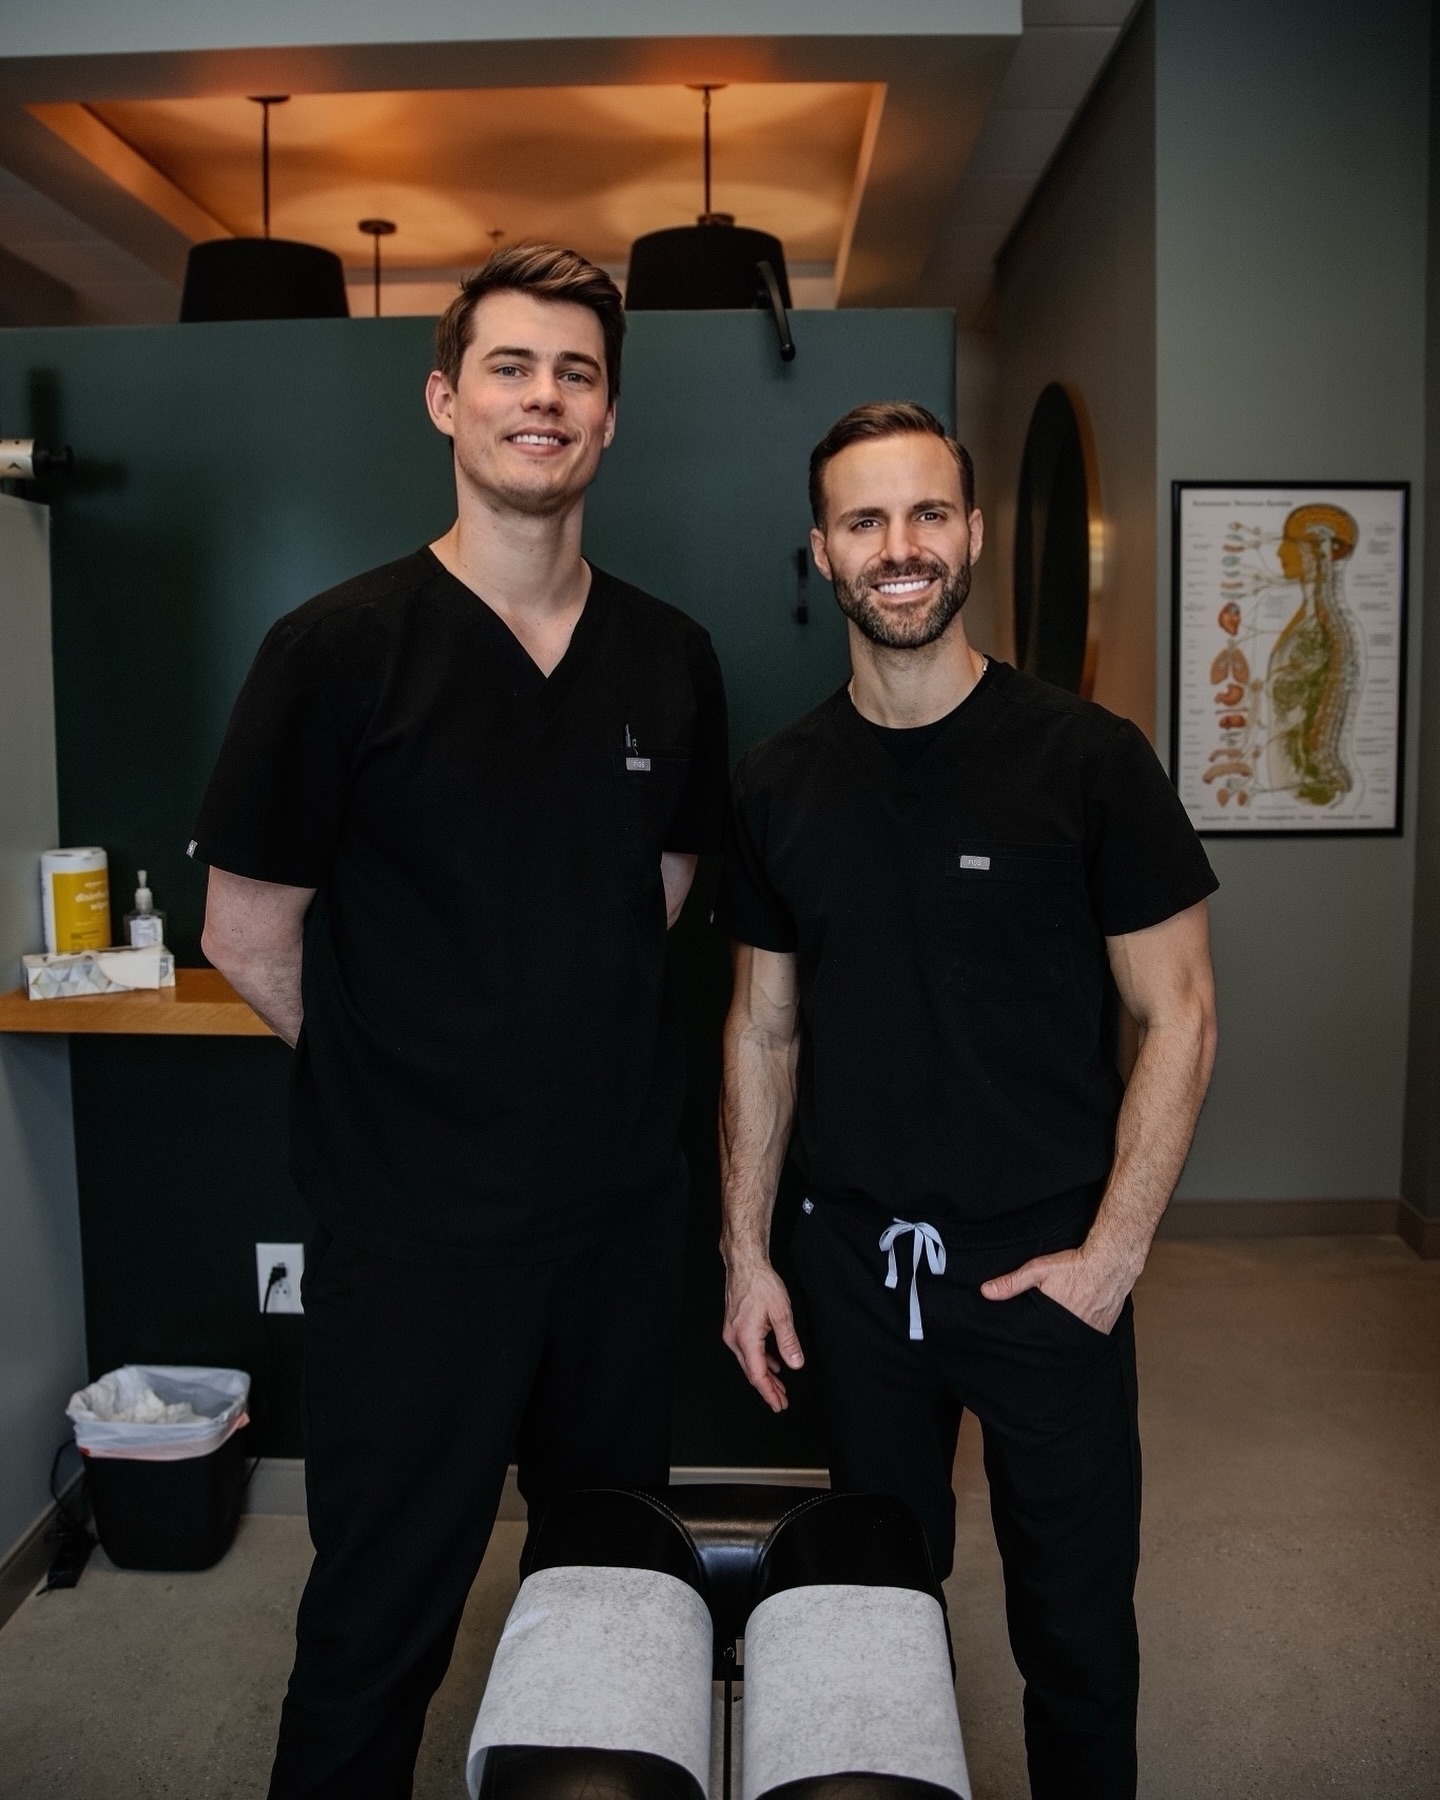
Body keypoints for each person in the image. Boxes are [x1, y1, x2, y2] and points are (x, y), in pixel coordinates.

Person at [192, 243, 728, 1799]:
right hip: (416, 1243)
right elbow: (246, 931)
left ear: (612, 418)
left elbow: (659, 897)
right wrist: (414, 1070)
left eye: (575, 373)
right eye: (510, 366)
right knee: (376, 1628)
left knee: (612, 1598)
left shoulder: (670, 659)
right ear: (444, 397)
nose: (543, 399)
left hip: (617, 1235)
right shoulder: (336, 651)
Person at [718, 401, 1217, 1800]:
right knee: (877, 1606)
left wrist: (1113, 1257)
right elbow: (763, 1030)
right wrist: (747, 1253)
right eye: (866, 521)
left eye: (928, 514)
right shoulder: (779, 783)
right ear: (822, 552)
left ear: (975, 533)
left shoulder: (1089, 760)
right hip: (857, 1277)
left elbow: (1178, 1013)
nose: (901, 548)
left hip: (1048, 1267)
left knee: (1073, 1626)